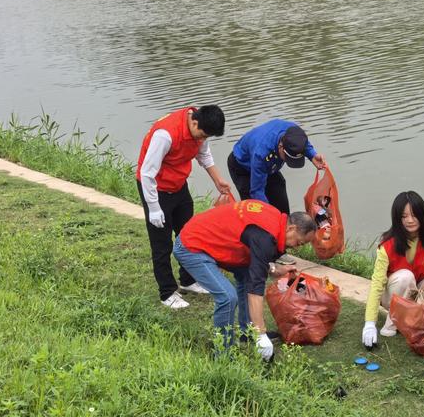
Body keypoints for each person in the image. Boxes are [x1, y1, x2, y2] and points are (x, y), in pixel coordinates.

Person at [173, 200, 316, 360]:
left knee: (247, 275)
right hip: (191, 246)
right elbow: (256, 287)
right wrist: (261, 333)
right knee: (227, 297)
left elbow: (256, 263)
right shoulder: (266, 237)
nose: (296, 247)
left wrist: (276, 268)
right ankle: (223, 355)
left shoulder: (275, 221)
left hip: (212, 240)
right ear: (292, 228)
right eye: (298, 242)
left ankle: (247, 333)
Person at [137, 105, 230, 310]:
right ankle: (167, 292)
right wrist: (153, 207)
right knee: (162, 242)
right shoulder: (166, 135)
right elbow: (146, 174)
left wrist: (218, 180)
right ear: (194, 122)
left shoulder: (200, 132)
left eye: (207, 137)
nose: (203, 140)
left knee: (189, 235)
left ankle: (188, 280)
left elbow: (204, 156)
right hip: (156, 188)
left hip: (178, 185)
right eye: (203, 135)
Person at [362, 191, 424, 349]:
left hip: (418, 288)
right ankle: (392, 324)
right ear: (397, 218)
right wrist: (370, 323)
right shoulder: (387, 245)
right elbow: (377, 284)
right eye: (404, 216)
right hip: (392, 292)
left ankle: (416, 319)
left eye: (414, 215)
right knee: (405, 276)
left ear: (422, 215)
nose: (410, 220)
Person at [227, 119, 327, 215]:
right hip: (242, 167)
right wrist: (270, 215)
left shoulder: (294, 132)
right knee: (255, 211)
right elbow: (257, 191)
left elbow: (303, 143)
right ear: (281, 146)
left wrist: (312, 155)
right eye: (287, 158)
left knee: (281, 205)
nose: (287, 161)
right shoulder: (261, 153)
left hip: (269, 165)